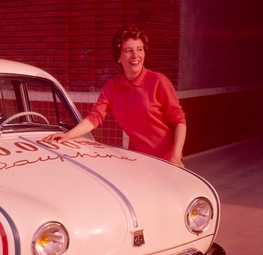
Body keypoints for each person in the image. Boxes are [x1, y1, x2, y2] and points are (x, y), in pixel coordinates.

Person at [45, 27, 187, 166]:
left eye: (139, 49)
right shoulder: (112, 88)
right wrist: (68, 135)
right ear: (118, 57)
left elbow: (179, 121)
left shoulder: (158, 81)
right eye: (128, 51)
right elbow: (95, 118)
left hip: (168, 161)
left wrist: (176, 155)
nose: (135, 56)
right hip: (139, 160)